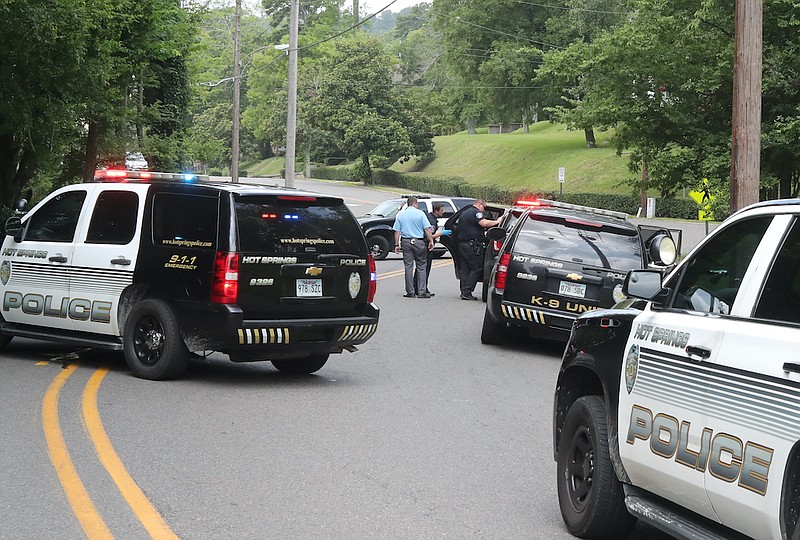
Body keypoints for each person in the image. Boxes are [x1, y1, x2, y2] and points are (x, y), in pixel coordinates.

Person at [456, 198, 501, 300]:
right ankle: (467, 291)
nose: (484, 210)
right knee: (477, 267)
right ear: (480, 204)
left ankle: (464, 291)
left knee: (465, 268)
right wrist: (497, 221)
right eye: (484, 207)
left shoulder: (465, 212)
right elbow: (484, 223)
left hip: (463, 244)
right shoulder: (476, 213)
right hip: (472, 245)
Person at [392, 196, 434, 298]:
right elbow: (427, 229)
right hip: (419, 242)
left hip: (406, 242)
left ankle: (410, 291)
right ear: (415, 203)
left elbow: (397, 231)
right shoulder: (420, 214)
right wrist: (431, 240)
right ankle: (421, 291)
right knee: (421, 266)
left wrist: (396, 245)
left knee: (408, 266)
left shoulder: (401, 215)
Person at [414, 203, 452, 297]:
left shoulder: (429, 217)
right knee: (425, 268)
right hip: (426, 246)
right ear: (436, 211)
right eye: (441, 210)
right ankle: (421, 288)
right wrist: (441, 233)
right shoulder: (431, 221)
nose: (443, 212)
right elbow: (429, 235)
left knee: (421, 268)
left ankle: (418, 287)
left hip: (422, 245)